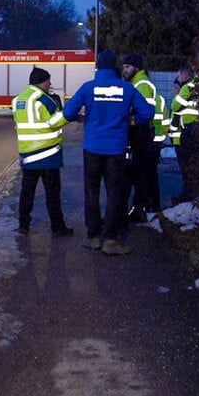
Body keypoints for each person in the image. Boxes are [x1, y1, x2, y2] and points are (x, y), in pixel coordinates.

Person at [59, 50, 153, 255]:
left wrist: (82, 118)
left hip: (92, 148)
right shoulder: (127, 88)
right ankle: (110, 239)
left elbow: (67, 113)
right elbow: (147, 112)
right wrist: (131, 121)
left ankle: (92, 237)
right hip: (116, 150)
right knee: (114, 194)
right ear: (115, 67)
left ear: (99, 67)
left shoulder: (88, 87)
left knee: (91, 193)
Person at [11, 67, 73, 237]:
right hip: (48, 154)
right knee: (52, 193)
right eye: (48, 81)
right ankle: (58, 227)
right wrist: (69, 114)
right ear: (42, 82)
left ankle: (23, 225)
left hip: (27, 155)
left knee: (27, 192)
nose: (50, 84)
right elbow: (55, 122)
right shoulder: (44, 99)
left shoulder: (17, 100)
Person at [120, 54, 167, 222]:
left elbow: (143, 112)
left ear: (136, 68)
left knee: (141, 173)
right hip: (145, 134)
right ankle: (146, 206)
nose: (124, 70)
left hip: (144, 134)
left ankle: (143, 208)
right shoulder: (137, 83)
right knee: (143, 173)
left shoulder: (142, 84)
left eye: (128, 67)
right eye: (124, 67)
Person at [170, 67, 199, 203]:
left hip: (187, 130)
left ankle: (188, 194)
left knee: (186, 164)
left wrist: (177, 94)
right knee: (194, 162)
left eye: (179, 76)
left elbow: (175, 106)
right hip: (193, 129)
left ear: (185, 77)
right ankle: (192, 192)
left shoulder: (187, 88)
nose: (177, 79)